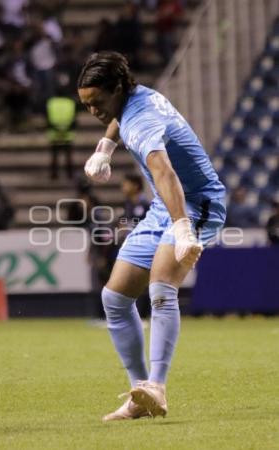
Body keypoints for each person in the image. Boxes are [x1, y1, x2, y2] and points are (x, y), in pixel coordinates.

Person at [77, 51, 226, 421]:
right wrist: (105, 147)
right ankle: (138, 392)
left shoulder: (141, 120)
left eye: (97, 103)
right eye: (86, 104)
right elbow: (117, 118)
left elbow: (164, 172)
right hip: (165, 206)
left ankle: (156, 386)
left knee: (162, 289)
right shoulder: (133, 96)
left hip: (196, 203)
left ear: (116, 90)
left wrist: (182, 228)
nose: (94, 112)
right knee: (114, 297)